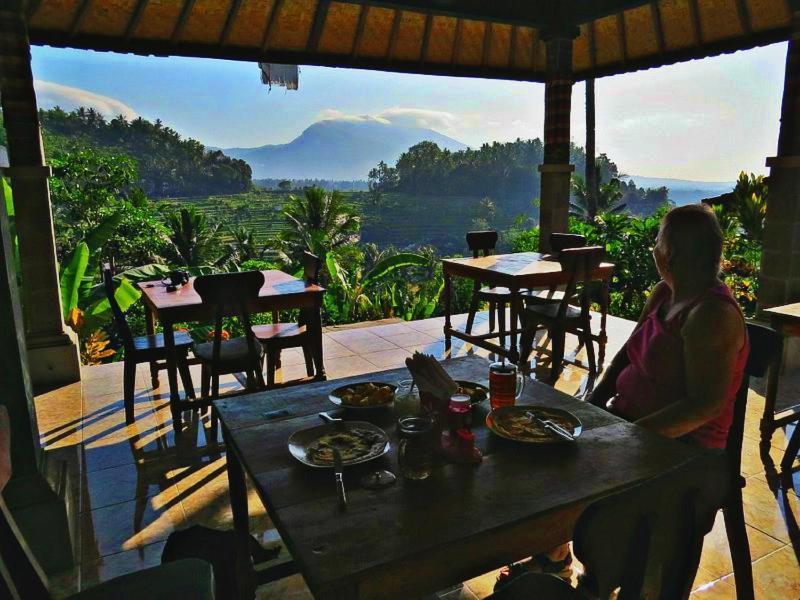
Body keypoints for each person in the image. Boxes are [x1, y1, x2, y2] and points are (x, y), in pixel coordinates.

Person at [496, 204, 749, 588]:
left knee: (586, 473)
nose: (653, 248)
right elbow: (627, 354)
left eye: (658, 241)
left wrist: (630, 437)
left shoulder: (711, 314)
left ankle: (598, 579)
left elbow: (705, 405)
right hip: (632, 424)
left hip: (684, 449)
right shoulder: (665, 292)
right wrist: (591, 406)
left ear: (671, 254)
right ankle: (553, 555)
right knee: (547, 447)